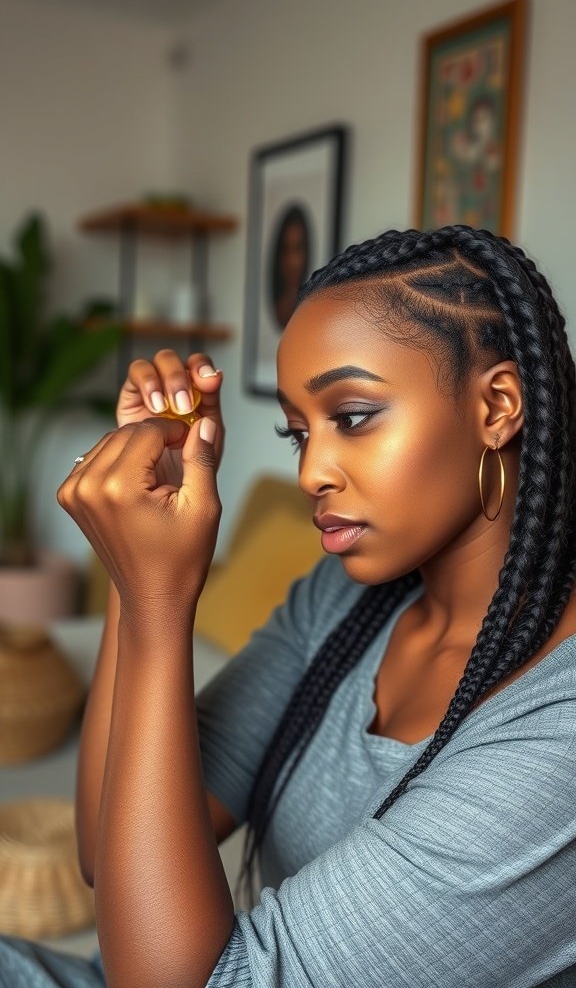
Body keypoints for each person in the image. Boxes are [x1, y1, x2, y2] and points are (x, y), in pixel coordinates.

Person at [1, 223, 575, 987]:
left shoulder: (557, 737)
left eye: (354, 416)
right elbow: (106, 849)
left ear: (498, 405)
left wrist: (159, 600)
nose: (311, 473)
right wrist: (135, 562)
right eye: (298, 432)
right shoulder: (342, 600)